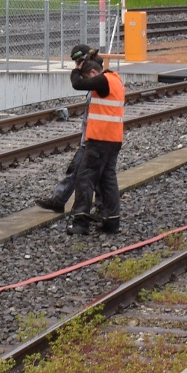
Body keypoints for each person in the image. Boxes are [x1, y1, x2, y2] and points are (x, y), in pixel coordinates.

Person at [65, 43, 125, 236]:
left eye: (87, 76)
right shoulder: (116, 80)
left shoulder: (103, 80)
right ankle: (112, 222)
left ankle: (81, 222)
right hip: (114, 139)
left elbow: (77, 84)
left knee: (85, 178)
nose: (88, 83)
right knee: (108, 179)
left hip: (99, 139)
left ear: (93, 72)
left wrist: (76, 70)